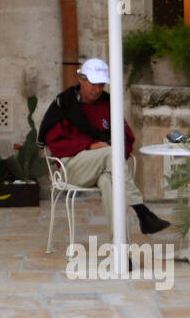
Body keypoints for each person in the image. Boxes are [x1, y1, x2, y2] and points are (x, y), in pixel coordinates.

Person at [39, 58, 171, 239]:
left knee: (110, 182)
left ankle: (120, 248)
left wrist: (113, 153)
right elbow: (56, 144)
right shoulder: (65, 104)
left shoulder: (109, 104)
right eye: (93, 84)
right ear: (81, 79)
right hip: (73, 168)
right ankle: (142, 211)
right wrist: (91, 146)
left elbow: (126, 138)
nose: (97, 89)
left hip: (106, 166)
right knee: (111, 152)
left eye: (101, 85)